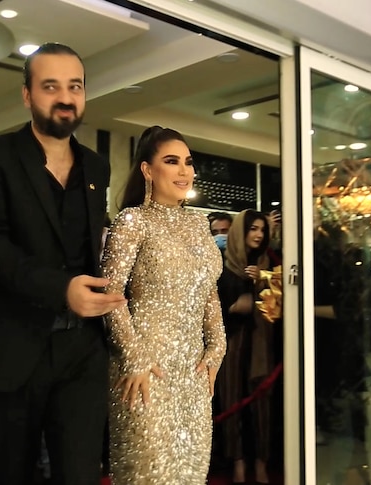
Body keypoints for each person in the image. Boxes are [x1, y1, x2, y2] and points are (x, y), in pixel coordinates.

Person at [0, 42, 124, 485]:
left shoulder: (96, 166)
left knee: (81, 473)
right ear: (27, 95)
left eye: (75, 86)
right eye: (50, 86)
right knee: (6, 472)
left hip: (82, 351)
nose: (65, 97)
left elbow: (93, 246)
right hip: (11, 347)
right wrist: (62, 290)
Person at [102, 126, 226, 484]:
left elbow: (208, 290)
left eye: (188, 162)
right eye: (172, 162)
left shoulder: (198, 223)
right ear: (147, 170)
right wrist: (134, 356)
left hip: (192, 371)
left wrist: (217, 347)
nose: (184, 171)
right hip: (144, 369)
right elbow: (111, 295)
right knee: (151, 472)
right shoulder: (133, 221)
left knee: (190, 471)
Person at [217, 209, 280, 484]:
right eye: (252, 229)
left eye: (261, 230)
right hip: (232, 342)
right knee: (232, 399)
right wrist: (232, 306)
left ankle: (262, 462)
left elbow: (279, 307)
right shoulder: (223, 265)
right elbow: (211, 308)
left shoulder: (272, 263)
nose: (258, 235)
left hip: (263, 344)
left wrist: (263, 280)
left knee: (262, 404)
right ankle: (239, 463)